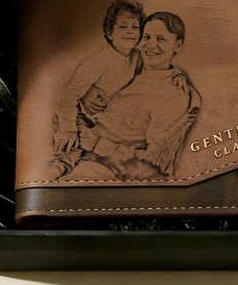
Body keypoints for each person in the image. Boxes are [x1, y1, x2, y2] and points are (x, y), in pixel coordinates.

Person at [52, 11, 201, 181]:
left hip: (103, 166)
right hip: (75, 141)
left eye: (161, 39)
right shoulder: (134, 63)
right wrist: (86, 95)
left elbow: (151, 162)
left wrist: (95, 143)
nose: (151, 46)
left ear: (178, 45)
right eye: (146, 37)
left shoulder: (174, 97)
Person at [52, 0, 145, 156]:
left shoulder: (139, 57)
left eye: (135, 27)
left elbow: (157, 71)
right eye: (123, 27)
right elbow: (69, 95)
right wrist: (69, 129)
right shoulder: (98, 61)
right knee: (77, 142)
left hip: (105, 118)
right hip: (81, 115)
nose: (130, 32)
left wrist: (179, 77)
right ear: (110, 33)